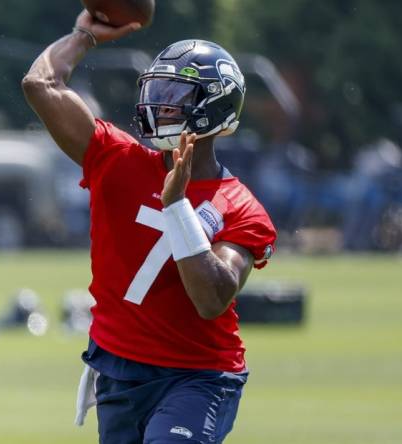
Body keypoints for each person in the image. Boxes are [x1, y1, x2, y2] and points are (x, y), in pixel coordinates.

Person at [22, 9, 277, 444]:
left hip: (197, 376)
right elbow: (40, 84)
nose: (157, 104)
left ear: (212, 106)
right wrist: (84, 35)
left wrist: (176, 207)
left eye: (174, 95)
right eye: (156, 90)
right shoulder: (117, 159)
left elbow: (211, 299)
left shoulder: (241, 208)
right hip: (118, 370)